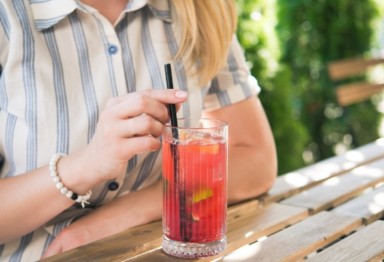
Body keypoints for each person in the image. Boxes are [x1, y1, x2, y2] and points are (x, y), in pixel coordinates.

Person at [0, 0, 277, 260]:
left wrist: (128, 212)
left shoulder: (198, 9)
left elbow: (256, 159)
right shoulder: (9, 16)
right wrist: (84, 166)